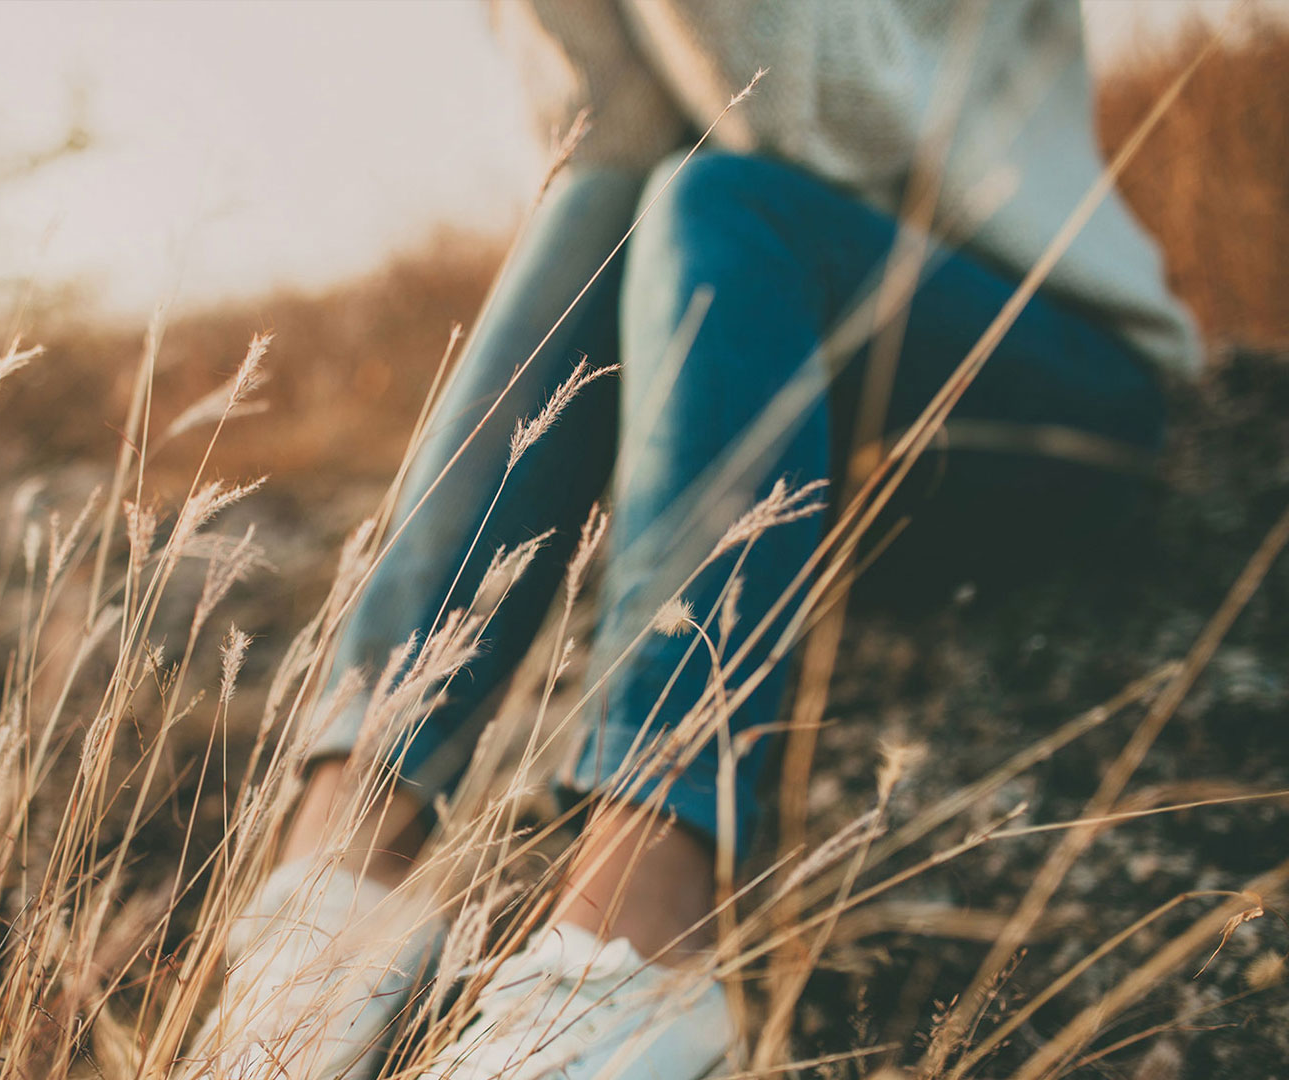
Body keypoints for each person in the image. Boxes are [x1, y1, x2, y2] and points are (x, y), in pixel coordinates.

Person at [187, 3, 1196, 1078]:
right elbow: (605, 141)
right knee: (603, 206)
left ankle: (642, 936)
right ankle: (341, 877)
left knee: (717, 201)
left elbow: (833, 130)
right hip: (795, 419)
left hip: (1040, 380)